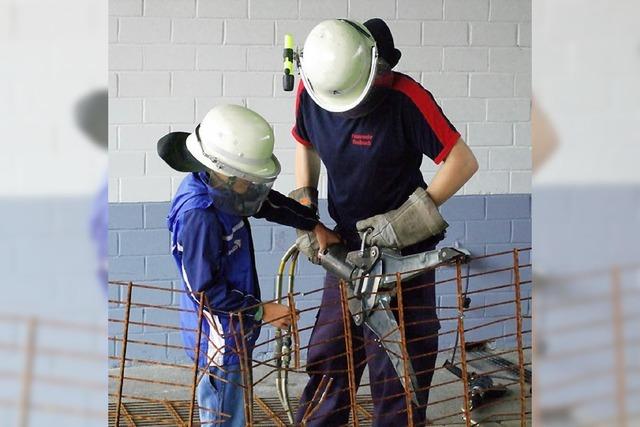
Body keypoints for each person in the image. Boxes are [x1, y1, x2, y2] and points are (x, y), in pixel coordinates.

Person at [290, 19, 479, 425]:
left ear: (379, 66)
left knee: (399, 366)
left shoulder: (406, 98)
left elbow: (462, 162)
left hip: (403, 253)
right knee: (330, 357)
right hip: (345, 248)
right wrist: (306, 206)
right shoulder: (313, 87)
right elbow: (305, 145)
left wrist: (404, 222)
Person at [158, 104, 339, 426]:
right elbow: (204, 291)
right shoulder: (199, 215)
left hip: (236, 323)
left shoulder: (227, 188)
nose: (251, 187)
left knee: (235, 403)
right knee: (224, 413)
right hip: (218, 335)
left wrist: (314, 224)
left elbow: (267, 202)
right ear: (222, 171)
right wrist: (261, 311)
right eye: (247, 179)